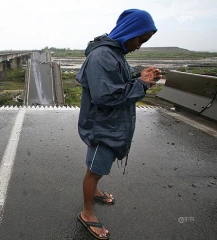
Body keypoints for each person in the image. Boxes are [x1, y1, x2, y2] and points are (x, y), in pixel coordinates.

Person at [75, 9, 162, 239]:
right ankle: (87, 212)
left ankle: (94, 192)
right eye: (140, 39)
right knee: (94, 171)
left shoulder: (114, 54)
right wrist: (142, 84)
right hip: (101, 126)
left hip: (109, 125)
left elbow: (118, 79)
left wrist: (138, 75)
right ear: (130, 31)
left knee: (97, 166)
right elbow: (106, 96)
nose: (139, 45)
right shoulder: (103, 55)